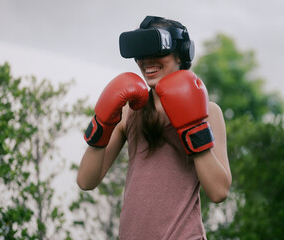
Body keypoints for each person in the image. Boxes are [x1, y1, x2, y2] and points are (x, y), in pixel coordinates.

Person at [76, 16, 231, 240]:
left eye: (158, 50)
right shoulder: (129, 111)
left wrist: (193, 126)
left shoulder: (209, 111)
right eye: (141, 53)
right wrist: (102, 123)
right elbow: (85, 181)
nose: (147, 60)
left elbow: (218, 192)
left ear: (182, 53)